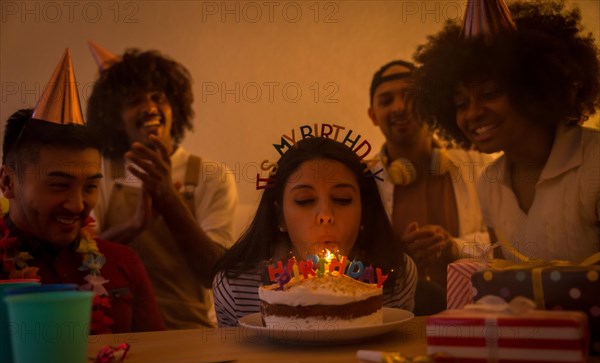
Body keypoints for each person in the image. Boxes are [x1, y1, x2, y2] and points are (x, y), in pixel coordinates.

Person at [413, 0, 600, 261]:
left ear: (534, 89)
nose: (472, 113)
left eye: (489, 94)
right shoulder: (490, 184)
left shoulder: (594, 163)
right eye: (460, 103)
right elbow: (504, 278)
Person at [0, 50, 165, 334]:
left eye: (90, 186)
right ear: (7, 183)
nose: (77, 205)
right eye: (59, 185)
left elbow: (161, 360)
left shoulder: (123, 263)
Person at [87, 49, 238, 329]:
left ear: (176, 108)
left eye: (158, 97)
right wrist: (134, 226)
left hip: (189, 332)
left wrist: (168, 198)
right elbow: (81, 260)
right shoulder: (100, 172)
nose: (150, 108)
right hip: (114, 331)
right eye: (134, 101)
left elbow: (214, 273)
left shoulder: (212, 176)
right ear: (115, 118)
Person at [212, 137, 417, 327]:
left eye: (342, 198)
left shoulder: (396, 274)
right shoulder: (236, 289)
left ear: (364, 211)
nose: (325, 215)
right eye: (305, 200)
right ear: (280, 216)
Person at [368, 60, 493, 294]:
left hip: (475, 309)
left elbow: (507, 243)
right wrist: (396, 253)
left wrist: (455, 247)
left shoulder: (480, 165)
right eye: (386, 101)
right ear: (372, 115)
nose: (399, 107)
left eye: (410, 96)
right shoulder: (362, 179)